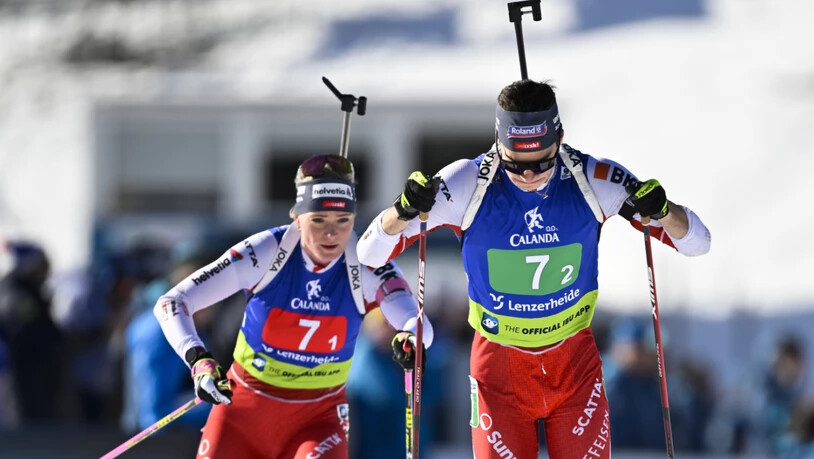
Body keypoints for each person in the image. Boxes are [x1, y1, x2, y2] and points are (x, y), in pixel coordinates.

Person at [357, 79, 711, 458]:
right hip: (499, 368)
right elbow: (370, 253)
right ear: (498, 141)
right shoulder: (466, 183)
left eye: (541, 162)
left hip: (573, 365)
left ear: (561, 138)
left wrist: (664, 211)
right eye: (515, 164)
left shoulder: (593, 179)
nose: (528, 176)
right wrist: (403, 209)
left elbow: (698, 242)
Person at [154, 154, 432, 459]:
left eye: (343, 220)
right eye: (318, 220)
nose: (331, 234)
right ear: (297, 219)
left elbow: (416, 322)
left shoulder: (366, 262)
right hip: (243, 412)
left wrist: (410, 337)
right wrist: (199, 360)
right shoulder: (266, 252)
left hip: (317, 420)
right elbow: (172, 302)